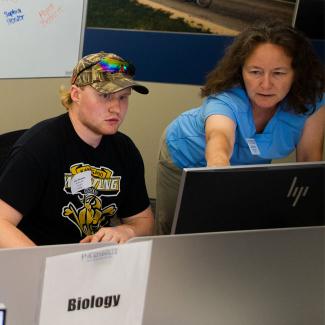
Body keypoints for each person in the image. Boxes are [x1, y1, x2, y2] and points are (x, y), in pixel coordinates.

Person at [155, 20, 325, 235]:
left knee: (239, 229)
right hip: (185, 156)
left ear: (297, 72)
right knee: (178, 228)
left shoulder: (312, 100)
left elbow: (310, 161)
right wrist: (219, 178)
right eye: (255, 72)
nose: (265, 84)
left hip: (247, 167)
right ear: (241, 71)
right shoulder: (225, 99)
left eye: (279, 73)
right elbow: (219, 141)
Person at [0, 51, 154, 247]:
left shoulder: (124, 149)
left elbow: (144, 222)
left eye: (123, 97)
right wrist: (45, 267)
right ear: (76, 94)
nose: (116, 108)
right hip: (37, 258)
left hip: (92, 261)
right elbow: (1, 223)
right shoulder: (39, 147)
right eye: (105, 95)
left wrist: (126, 230)